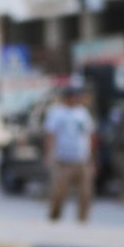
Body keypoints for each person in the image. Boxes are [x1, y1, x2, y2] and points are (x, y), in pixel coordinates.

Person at [44, 84, 96, 222]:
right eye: (72, 97)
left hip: (82, 159)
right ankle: (54, 216)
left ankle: (82, 219)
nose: (74, 99)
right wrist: (49, 155)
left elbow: (89, 135)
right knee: (59, 192)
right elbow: (50, 135)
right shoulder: (56, 112)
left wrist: (92, 157)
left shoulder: (82, 113)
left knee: (86, 192)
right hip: (64, 160)